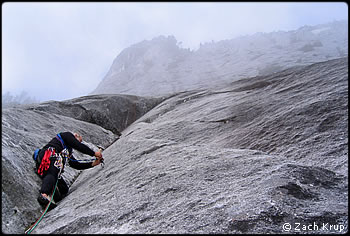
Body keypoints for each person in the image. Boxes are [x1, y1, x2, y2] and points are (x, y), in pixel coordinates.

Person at [35, 131, 103, 208]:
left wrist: (93, 163)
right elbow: (78, 146)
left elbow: (76, 165)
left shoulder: (68, 152)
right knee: (53, 172)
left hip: (50, 161)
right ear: (76, 135)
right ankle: (43, 195)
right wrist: (94, 153)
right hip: (49, 155)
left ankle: (53, 194)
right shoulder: (66, 135)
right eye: (79, 140)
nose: (78, 142)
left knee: (64, 189)